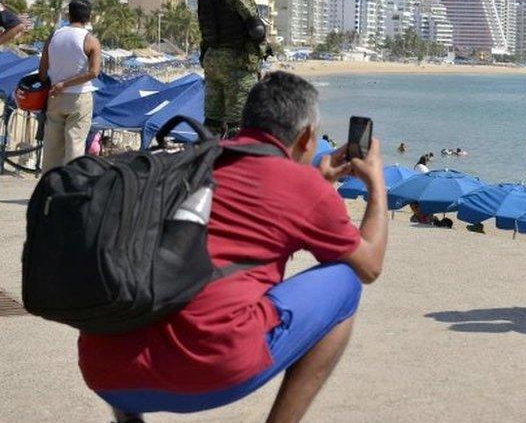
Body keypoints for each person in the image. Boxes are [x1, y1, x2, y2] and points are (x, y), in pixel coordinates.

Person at [76, 72, 390, 422]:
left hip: (106, 373)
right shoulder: (301, 187)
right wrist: (377, 182)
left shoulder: (187, 161)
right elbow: (370, 265)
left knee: (142, 266)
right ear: (305, 137)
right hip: (207, 373)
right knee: (345, 284)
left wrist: (317, 180)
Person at [197, 0, 270, 138]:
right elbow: (255, 27)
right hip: (237, 64)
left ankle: (202, 163)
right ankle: (233, 167)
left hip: (212, 60)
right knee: (238, 124)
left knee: (211, 122)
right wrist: (261, 51)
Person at [38, 0, 101, 171]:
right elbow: (94, 73)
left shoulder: (54, 36)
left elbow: (42, 70)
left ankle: (48, 188)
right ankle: (71, 190)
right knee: (75, 147)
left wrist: (54, 85)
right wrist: (65, 84)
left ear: (68, 14)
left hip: (55, 98)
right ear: (88, 18)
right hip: (79, 98)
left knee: (52, 148)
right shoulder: (91, 40)